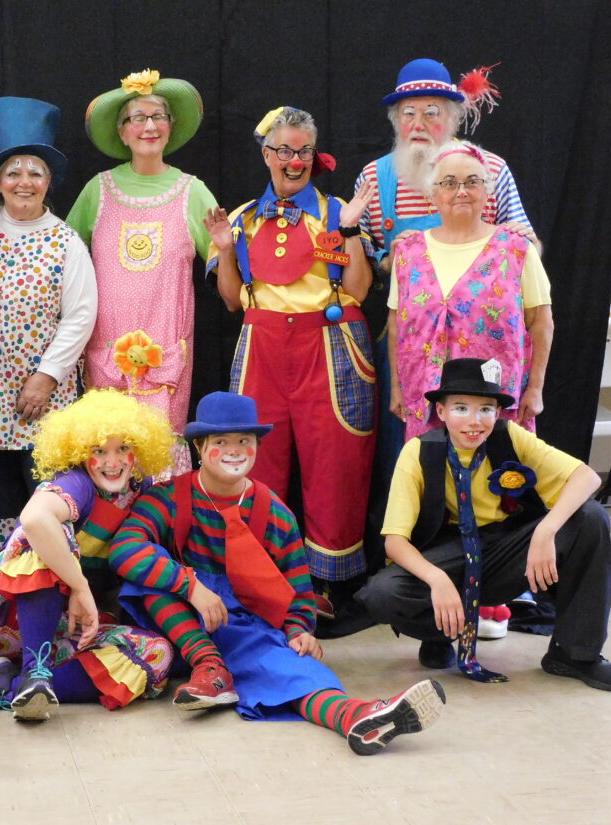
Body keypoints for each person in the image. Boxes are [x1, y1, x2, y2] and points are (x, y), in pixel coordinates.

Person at [109, 392, 445, 755]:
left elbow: (297, 589)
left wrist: (299, 630)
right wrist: (189, 585)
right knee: (146, 580)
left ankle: (357, 718)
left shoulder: (274, 512)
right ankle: (209, 665)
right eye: (221, 441)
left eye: (245, 440)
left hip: (242, 625)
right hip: (179, 626)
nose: (234, 450)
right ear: (199, 447)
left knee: (290, 667)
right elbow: (125, 548)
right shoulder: (169, 497)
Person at [356, 358, 611, 691]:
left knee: (590, 517)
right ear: (441, 411)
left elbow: (586, 477)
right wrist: (437, 580)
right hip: (448, 552)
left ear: (498, 413)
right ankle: (440, 633)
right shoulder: (418, 452)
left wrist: (545, 531)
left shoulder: (510, 437)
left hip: (507, 550)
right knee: (383, 593)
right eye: (461, 408)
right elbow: (394, 542)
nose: (475, 421)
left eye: (485, 409)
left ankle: (573, 653)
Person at [204, 106, 377, 606]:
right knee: (256, 459)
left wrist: (349, 232)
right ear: (267, 155)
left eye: (303, 150)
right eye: (284, 150)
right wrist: (225, 250)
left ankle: (330, 586)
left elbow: (360, 290)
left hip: (330, 344)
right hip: (262, 344)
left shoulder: (336, 212)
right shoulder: (241, 219)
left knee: (335, 461)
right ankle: (264, 577)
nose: (294, 160)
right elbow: (232, 301)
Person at [0, 389, 175, 720]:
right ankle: (34, 671)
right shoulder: (77, 481)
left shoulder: (140, 488)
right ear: (79, 453)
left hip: (68, 627)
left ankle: (9, 688)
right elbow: (35, 519)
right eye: (99, 451)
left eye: (123, 448)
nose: (113, 462)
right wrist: (79, 585)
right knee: (47, 535)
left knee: (157, 654)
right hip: (0, 615)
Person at [67, 69, 218, 474]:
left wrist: (228, 250)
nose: (149, 126)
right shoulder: (98, 189)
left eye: (158, 116)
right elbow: (63, 260)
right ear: (122, 132)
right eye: (138, 117)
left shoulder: (193, 191)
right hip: (104, 352)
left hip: (166, 355)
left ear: (170, 126)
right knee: (107, 451)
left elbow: (225, 268)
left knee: (158, 461)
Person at [0, 97, 98, 562]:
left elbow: (80, 315)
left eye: (35, 172)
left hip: (42, 400)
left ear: (48, 182)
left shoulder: (65, 240)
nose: (24, 181)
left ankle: (51, 587)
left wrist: (46, 377)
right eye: (13, 172)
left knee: (46, 498)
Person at [389, 141, 553, 439]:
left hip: (498, 402)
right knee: (432, 466)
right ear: (432, 194)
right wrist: (396, 388)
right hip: (425, 400)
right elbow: (396, 325)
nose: (461, 191)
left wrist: (536, 388)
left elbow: (541, 322)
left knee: (499, 467)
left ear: (487, 191)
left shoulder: (517, 249)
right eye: (449, 183)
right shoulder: (408, 252)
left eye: (472, 182)